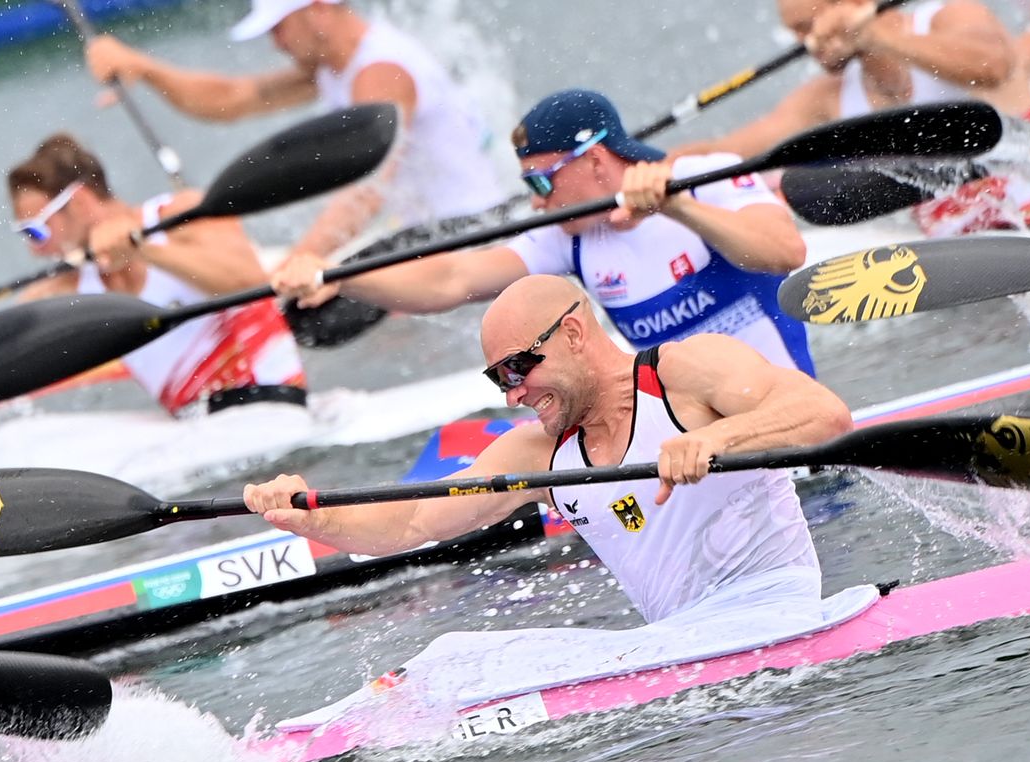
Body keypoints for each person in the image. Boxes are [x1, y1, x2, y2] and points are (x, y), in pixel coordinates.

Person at [244, 275, 871, 719]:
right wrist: (307, 513)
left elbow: (823, 412)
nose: (512, 393)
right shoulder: (535, 455)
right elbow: (410, 522)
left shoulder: (684, 373)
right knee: (451, 655)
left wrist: (720, 438)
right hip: (680, 647)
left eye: (519, 368)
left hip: (778, 617)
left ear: (573, 333)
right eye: (499, 379)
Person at [274, 91, 816, 376]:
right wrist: (339, 276)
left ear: (597, 161)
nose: (536, 200)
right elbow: (451, 279)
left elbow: (783, 251)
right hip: (691, 443)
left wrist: (677, 210)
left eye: (542, 179)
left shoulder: (708, 178)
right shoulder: (569, 237)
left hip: (784, 417)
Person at [0, 133, 308, 417]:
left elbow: (247, 280)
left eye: (37, 233)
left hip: (273, 405)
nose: (35, 251)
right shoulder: (68, 287)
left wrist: (145, 249)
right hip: (204, 429)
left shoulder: (183, 212)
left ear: (81, 203)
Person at [84, 0, 503, 341]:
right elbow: (232, 99)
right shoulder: (332, 65)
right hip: (425, 230)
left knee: (305, 318)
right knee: (305, 301)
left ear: (318, 10)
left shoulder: (382, 72)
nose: (275, 42)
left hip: (470, 233)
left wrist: (303, 259)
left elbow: (368, 191)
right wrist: (148, 69)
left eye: (279, 27)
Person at [679, 0, 1030, 236]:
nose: (805, 44)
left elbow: (993, 66)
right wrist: (640, 171)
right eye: (797, 32)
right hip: (971, 254)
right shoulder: (825, 96)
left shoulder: (949, 15)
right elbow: (724, 152)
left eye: (808, 26)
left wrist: (873, 37)